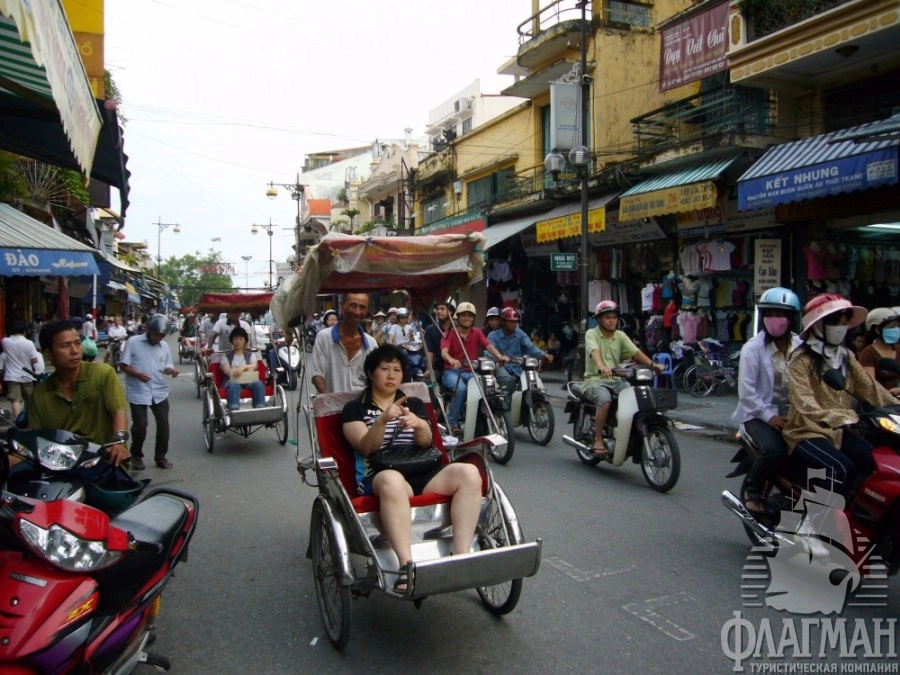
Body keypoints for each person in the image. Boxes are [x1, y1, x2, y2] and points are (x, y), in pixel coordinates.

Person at [341, 344, 481, 592]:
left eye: (397, 370)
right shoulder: (355, 408)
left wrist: (419, 425)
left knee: (469, 473)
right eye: (385, 369)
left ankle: (461, 556)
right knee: (393, 481)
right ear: (371, 373)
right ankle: (407, 566)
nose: (391, 375)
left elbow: (426, 442)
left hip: (423, 470)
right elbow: (365, 447)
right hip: (382, 474)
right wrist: (382, 420)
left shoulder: (414, 403)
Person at [783, 294, 897, 498]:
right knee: (841, 469)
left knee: (875, 463)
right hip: (808, 431)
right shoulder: (800, 359)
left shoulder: (846, 356)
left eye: (845, 323)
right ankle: (815, 524)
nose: (841, 328)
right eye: (836, 323)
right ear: (818, 326)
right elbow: (804, 401)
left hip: (842, 430)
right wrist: (838, 417)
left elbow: (871, 389)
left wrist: (895, 407)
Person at [730, 287, 803, 513]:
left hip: (793, 414)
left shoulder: (801, 347)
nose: (775, 320)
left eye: (780, 315)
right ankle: (753, 490)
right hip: (757, 414)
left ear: (791, 318)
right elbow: (747, 392)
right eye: (770, 314)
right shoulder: (752, 348)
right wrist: (769, 417)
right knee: (773, 450)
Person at [26, 320, 129, 466]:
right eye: (65, 346)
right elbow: (36, 437)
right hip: (61, 466)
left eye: (77, 343)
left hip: (104, 460)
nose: (75, 351)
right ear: (48, 353)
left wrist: (118, 443)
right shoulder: (40, 394)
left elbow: (118, 411)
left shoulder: (103, 374)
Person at [582, 300, 664, 458]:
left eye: (614, 317)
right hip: (595, 380)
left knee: (636, 397)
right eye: (607, 317)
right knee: (605, 401)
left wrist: (653, 364)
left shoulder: (620, 335)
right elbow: (594, 350)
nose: (612, 320)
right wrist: (601, 365)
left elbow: (635, 352)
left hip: (616, 380)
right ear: (600, 319)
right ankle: (598, 439)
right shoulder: (591, 333)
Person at [118, 314, 180, 471]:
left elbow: (166, 366)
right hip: (138, 391)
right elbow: (124, 365)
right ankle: (136, 455)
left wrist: (171, 371)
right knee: (140, 425)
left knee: (164, 425)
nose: (158, 338)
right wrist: (138, 375)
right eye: (156, 334)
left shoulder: (164, 346)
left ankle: (161, 457)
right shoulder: (133, 342)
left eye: (161, 335)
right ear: (149, 331)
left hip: (159, 391)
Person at [439, 302, 508, 435]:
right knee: (461, 389)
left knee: (489, 385)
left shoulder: (477, 332)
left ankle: (481, 417)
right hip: (451, 372)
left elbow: (488, 346)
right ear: (458, 317)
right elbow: (444, 352)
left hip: (470, 371)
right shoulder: (449, 333)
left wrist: (499, 356)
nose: (467, 318)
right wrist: (451, 359)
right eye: (464, 315)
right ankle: (453, 422)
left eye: (470, 316)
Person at [310, 293, 378, 394]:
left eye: (362, 307)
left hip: (361, 407)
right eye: (353, 305)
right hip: (331, 406)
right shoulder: (324, 337)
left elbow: (376, 378)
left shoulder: (371, 344)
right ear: (342, 306)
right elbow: (317, 376)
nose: (357, 312)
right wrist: (330, 402)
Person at [488, 307, 553, 401]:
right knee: (507, 381)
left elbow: (531, 347)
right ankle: (505, 408)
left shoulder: (520, 333)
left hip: (518, 366)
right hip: (501, 366)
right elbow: (489, 352)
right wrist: (499, 357)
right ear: (503, 322)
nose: (514, 324)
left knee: (531, 383)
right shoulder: (493, 335)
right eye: (510, 321)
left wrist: (544, 355)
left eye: (515, 322)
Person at [1, 320, 42, 417]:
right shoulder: (29, 343)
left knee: (15, 400)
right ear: (25, 330)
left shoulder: (5, 341)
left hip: (11, 376)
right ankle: (31, 419)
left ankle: (18, 422)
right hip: (26, 375)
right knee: (30, 399)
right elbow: (34, 360)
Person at [220, 326, 266, 410]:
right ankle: (234, 410)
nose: (238, 341)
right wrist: (244, 370)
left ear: (245, 341)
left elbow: (254, 367)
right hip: (232, 381)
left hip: (248, 381)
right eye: (236, 339)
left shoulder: (251, 355)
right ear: (232, 341)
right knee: (234, 386)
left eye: (241, 339)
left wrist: (243, 367)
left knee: (258, 384)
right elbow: (227, 370)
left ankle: (260, 408)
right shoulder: (226, 356)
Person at [859, 307, 900, 397]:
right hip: (881, 403)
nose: (896, 330)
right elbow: (870, 385)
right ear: (877, 330)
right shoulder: (868, 353)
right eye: (892, 327)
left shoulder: (898, 349)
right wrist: (888, 393)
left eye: (897, 326)